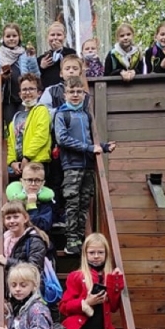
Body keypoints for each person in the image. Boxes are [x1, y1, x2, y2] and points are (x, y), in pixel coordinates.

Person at [54, 76, 116, 255]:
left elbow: (90, 141)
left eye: (79, 92)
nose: (75, 95)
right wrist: (88, 148)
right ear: (65, 94)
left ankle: (80, 238)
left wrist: (103, 147)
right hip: (71, 166)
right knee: (72, 202)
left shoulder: (86, 115)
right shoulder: (62, 114)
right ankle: (70, 239)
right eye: (71, 92)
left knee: (84, 202)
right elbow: (62, 139)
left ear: (83, 94)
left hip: (88, 164)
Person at [0, 23, 41, 130]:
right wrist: (1, 76)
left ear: (19, 37)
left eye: (14, 36)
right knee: (12, 128)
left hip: (25, 97)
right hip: (7, 101)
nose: (11, 38)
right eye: (8, 36)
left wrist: (32, 59)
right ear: (3, 38)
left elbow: (36, 76)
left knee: (25, 127)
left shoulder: (25, 55)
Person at [6, 74, 51, 181]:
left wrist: (27, 157)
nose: (27, 92)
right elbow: (11, 142)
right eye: (24, 90)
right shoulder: (16, 117)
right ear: (20, 94)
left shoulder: (41, 110)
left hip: (38, 162)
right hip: (21, 166)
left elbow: (41, 136)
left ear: (39, 93)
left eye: (31, 89)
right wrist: (12, 162)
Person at [0, 200, 50, 279]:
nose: (12, 221)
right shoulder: (5, 238)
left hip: (29, 284)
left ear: (25, 218)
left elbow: (33, 268)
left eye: (16, 217)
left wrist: (7, 261)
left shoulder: (35, 240)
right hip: (12, 283)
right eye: (8, 218)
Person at [5, 162, 55, 235]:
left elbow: (43, 227)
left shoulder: (46, 202)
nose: (33, 184)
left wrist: (32, 207)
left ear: (43, 183)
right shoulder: (14, 199)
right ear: (22, 181)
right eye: (29, 180)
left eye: (37, 180)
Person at [37, 21, 77, 90]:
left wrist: (59, 50)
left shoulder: (70, 53)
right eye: (52, 35)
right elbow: (36, 76)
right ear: (47, 37)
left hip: (67, 90)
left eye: (59, 35)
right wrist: (41, 67)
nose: (55, 37)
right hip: (48, 91)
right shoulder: (42, 59)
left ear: (64, 37)